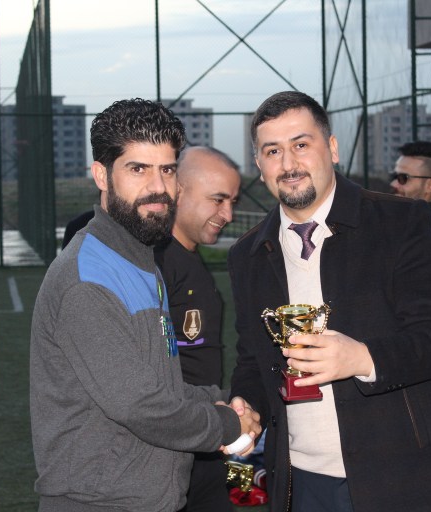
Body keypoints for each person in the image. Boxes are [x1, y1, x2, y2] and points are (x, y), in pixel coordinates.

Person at [228, 91, 431, 512]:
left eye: (301, 144)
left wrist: (362, 358)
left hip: (399, 477)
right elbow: (252, 360)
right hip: (300, 483)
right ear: (259, 164)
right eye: (273, 151)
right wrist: (245, 406)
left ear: (332, 148)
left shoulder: (400, 222)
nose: (288, 164)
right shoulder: (247, 254)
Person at [30, 98, 261, 512]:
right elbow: (140, 406)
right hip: (99, 503)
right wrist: (227, 423)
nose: (158, 187)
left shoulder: (139, 259)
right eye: (138, 169)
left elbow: (157, 385)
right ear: (101, 175)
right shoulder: (88, 278)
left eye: (167, 170)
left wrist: (220, 399)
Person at [154, 145, 241, 512]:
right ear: (178, 191)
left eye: (232, 202)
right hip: (171, 447)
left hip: (204, 440)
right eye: (218, 200)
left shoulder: (186, 255)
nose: (228, 214)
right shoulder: (155, 262)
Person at [390, 141, 431, 288]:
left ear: (430, 185)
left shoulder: (427, 236)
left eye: (403, 178)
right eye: (394, 176)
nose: (394, 184)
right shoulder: (410, 226)